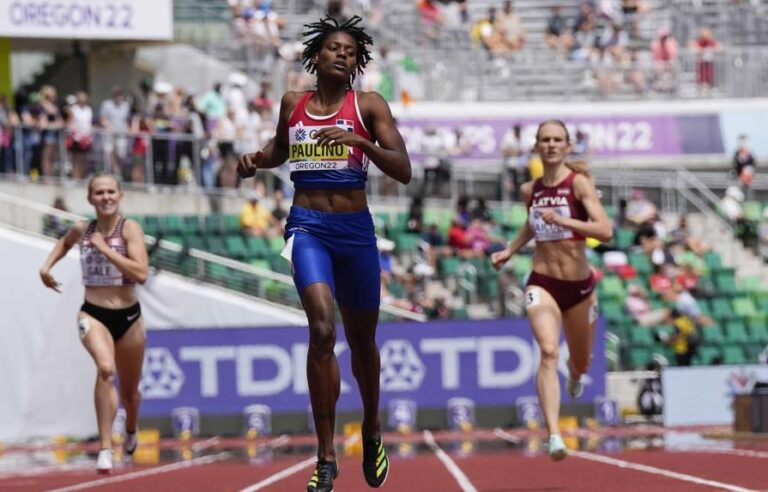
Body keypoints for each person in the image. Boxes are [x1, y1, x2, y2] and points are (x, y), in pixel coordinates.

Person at [236, 16, 411, 492]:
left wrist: (361, 142)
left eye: (351, 52)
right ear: (316, 56)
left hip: (354, 232)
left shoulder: (368, 105)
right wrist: (255, 160)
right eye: (334, 48)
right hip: (308, 225)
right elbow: (280, 148)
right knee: (320, 328)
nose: (342, 55)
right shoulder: (293, 103)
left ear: (357, 63)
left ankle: (372, 427)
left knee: (363, 345)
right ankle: (326, 455)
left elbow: (405, 169)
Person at [491, 120, 613, 461]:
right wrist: (510, 250)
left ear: (567, 145)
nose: (551, 145)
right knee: (547, 351)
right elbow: (533, 223)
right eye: (545, 140)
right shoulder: (530, 190)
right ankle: (555, 434)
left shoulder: (580, 184)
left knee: (580, 362)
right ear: (537, 145)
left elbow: (605, 231)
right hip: (543, 281)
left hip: (579, 288)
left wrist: (566, 222)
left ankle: (576, 375)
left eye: (558, 139)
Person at [38, 173, 148, 474]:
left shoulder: (130, 229)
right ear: (90, 199)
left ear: (120, 196)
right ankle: (105, 448)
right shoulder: (82, 229)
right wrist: (46, 267)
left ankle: (131, 427)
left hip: (129, 317)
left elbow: (141, 274)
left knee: (130, 394)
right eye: (99, 192)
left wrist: (105, 249)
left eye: (111, 191)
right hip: (93, 313)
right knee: (105, 369)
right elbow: (64, 242)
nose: (106, 197)